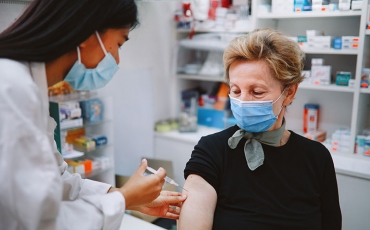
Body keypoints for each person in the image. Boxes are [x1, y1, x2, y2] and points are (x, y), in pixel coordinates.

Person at [0, 0, 186, 229]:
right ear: (88, 33)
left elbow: (55, 183)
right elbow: (37, 223)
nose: (116, 60)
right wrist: (124, 198)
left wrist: (122, 195)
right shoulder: (11, 89)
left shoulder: (28, 88)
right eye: (118, 43)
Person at [178, 28, 342, 230]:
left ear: (289, 93)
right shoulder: (212, 151)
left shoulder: (317, 158)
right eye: (235, 90)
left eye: (257, 92)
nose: (243, 101)